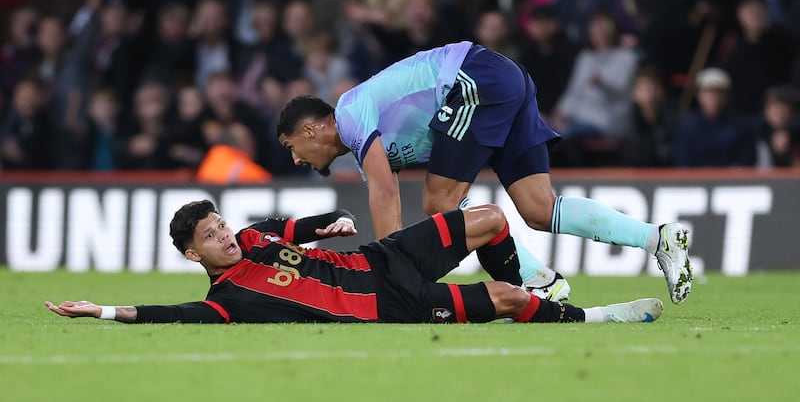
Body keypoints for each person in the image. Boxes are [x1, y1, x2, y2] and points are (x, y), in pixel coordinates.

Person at [276, 41, 694, 305]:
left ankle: (539, 283)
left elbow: (386, 194)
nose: (296, 160)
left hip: (473, 79)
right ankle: (658, 238)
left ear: (311, 129)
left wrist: (392, 282)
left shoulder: (349, 112)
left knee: (440, 200)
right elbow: (388, 202)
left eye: (293, 147)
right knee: (538, 208)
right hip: (502, 80)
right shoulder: (366, 141)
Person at [45, 199, 663, 325]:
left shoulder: (255, 238)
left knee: (491, 219)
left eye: (222, 225)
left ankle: (542, 287)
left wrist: (329, 226)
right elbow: (166, 314)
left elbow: (297, 227)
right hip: (390, 305)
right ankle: (594, 319)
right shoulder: (224, 304)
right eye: (212, 236)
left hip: (380, 258)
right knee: (503, 302)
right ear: (193, 254)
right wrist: (99, 310)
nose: (227, 237)